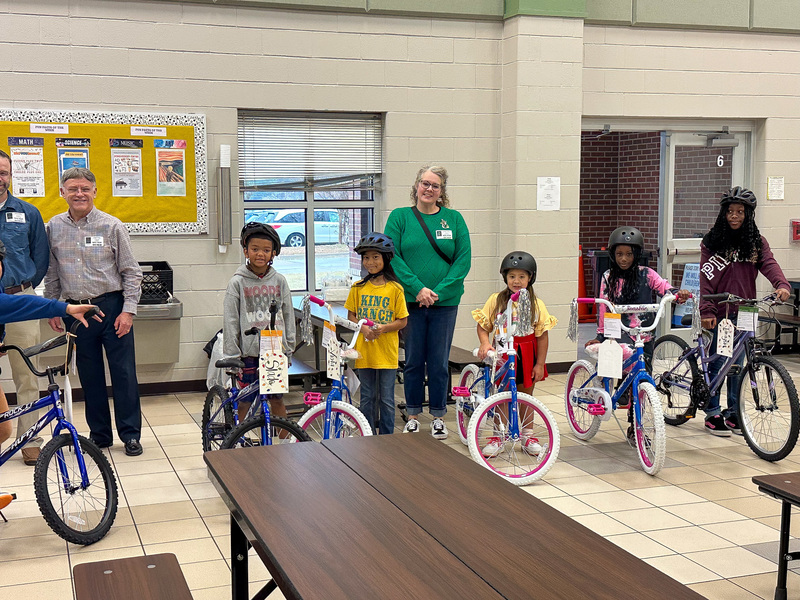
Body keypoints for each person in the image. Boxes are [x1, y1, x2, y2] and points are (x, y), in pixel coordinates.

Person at [44, 167, 145, 457]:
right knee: (90, 376)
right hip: (76, 312)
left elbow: (131, 272)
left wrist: (128, 312)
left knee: (124, 374)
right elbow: (52, 272)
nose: (79, 194)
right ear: (62, 192)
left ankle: (130, 435)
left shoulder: (112, 226)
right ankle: (100, 435)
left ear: (95, 192)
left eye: (85, 189)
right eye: (73, 189)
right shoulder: (53, 227)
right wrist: (53, 306)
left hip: (111, 308)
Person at [384, 165, 471, 438]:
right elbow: (392, 256)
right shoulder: (399, 217)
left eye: (435, 185)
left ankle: (438, 416)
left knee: (438, 362)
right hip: (410, 302)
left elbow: (463, 261)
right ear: (416, 186)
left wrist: (437, 292)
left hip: (444, 304)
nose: (429, 189)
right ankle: (412, 414)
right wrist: (418, 289)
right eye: (425, 183)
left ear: (442, 191)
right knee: (413, 360)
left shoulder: (454, 219)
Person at [699, 186, 790, 436]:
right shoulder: (713, 242)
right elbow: (705, 279)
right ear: (724, 213)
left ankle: (733, 412)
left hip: (746, 309)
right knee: (720, 361)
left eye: (740, 212)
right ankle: (712, 411)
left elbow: (769, 263)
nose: (735, 216)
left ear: (748, 214)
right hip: (721, 311)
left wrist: (781, 284)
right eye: (730, 211)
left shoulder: (756, 242)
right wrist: (707, 310)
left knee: (738, 364)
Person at [585, 227, 690, 439]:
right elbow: (604, 306)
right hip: (619, 333)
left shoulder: (647, 274)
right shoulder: (608, 276)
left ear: (637, 254)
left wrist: (677, 294)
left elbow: (664, 287)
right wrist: (601, 334)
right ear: (613, 255)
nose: (624, 259)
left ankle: (635, 426)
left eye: (629, 254)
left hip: (644, 334)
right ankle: (617, 391)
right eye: (619, 254)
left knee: (643, 382)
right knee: (615, 364)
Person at [472, 251, 557, 457]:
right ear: (505, 277)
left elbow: (542, 336)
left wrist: (540, 364)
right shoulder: (496, 300)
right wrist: (485, 343)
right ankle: (498, 437)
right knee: (501, 395)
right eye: (512, 276)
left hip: (527, 352)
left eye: (521, 276)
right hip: (502, 352)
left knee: (526, 395)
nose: (516, 281)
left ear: (530, 278)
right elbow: (483, 325)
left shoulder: (537, 304)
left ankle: (528, 436)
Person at [0, 150, 50, 466]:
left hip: (18, 300)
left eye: (3, 172)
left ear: (10, 175)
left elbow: (40, 259)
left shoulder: (28, 213)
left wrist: (23, 290)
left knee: (27, 374)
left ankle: (30, 438)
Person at [223, 222, 295, 423]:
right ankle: (236, 436)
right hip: (248, 353)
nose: (260, 254)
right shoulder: (237, 282)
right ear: (246, 251)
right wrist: (232, 354)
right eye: (255, 249)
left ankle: (285, 438)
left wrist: (288, 348)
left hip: (274, 351)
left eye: (266, 250)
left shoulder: (279, 281)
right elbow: (230, 320)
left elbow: (288, 315)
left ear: (273, 253)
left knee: (277, 400)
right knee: (245, 401)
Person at [345, 233, 408, 435]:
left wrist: (383, 328)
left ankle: (387, 437)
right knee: (367, 397)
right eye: (366, 257)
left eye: (375, 257)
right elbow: (351, 315)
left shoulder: (395, 289)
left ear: (386, 259)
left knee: (386, 399)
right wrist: (363, 328)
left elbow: (402, 321)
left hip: (387, 353)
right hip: (365, 352)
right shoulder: (358, 288)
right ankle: (368, 435)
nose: (370, 262)